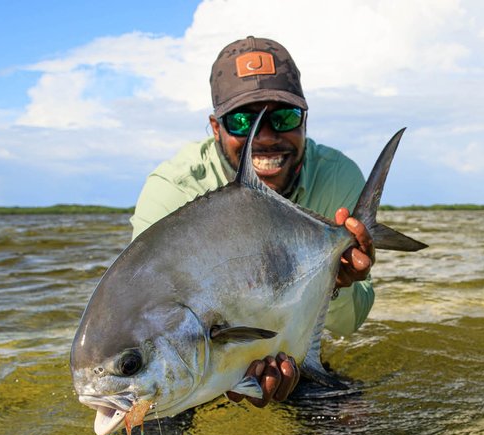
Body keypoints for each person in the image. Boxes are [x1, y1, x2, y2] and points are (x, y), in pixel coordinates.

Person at [129, 36, 400, 411]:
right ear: (215, 127)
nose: (267, 137)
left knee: (355, 424)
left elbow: (347, 326)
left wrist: (334, 285)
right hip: (185, 361)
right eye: (242, 121)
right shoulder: (173, 190)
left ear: (305, 120)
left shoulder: (336, 177)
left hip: (285, 349)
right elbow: (140, 319)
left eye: (284, 117)